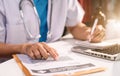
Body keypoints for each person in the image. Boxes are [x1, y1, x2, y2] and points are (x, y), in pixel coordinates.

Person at [0, 0, 105, 61]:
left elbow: (74, 26)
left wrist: (89, 33)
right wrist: (23, 48)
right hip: (11, 65)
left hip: (52, 61)